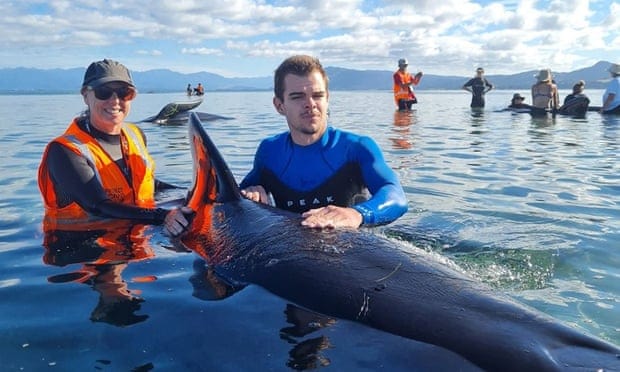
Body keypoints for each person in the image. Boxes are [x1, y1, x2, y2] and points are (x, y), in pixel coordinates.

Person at [240, 55, 408, 228]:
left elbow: (396, 196)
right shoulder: (270, 152)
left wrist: (357, 214)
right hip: (289, 251)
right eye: (297, 97)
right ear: (279, 105)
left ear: (327, 98)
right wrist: (250, 194)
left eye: (318, 95)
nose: (310, 104)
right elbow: (232, 199)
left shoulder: (356, 148)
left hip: (350, 249)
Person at [38, 59, 191, 237]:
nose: (115, 101)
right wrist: (164, 216)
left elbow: (146, 183)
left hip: (137, 233)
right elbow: (97, 206)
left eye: (124, 92)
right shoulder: (65, 151)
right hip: (81, 246)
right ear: (86, 96)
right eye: (104, 92)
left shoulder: (135, 134)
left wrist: (187, 192)